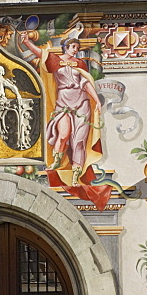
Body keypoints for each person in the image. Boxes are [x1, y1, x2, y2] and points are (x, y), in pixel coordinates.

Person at [20, 33, 112, 212]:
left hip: (81, 102)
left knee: (79, 140)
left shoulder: (80, 64)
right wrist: (26, 42)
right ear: (65, 48)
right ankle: (56, 162)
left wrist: (97, 101)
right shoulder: (56, 61)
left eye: (77, 48)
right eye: (73, 47)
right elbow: (40, 53)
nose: (75, 50)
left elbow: (86, 83)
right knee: (63, 134)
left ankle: (76, 176)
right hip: (63, 101)